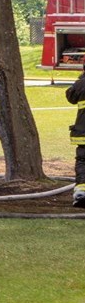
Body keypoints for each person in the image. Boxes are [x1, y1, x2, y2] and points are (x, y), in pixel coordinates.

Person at [66, 71, 85, 208]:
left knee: (83, 161)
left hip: (83, 133)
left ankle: (81, 193)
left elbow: (70, 95)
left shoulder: (81, 84)